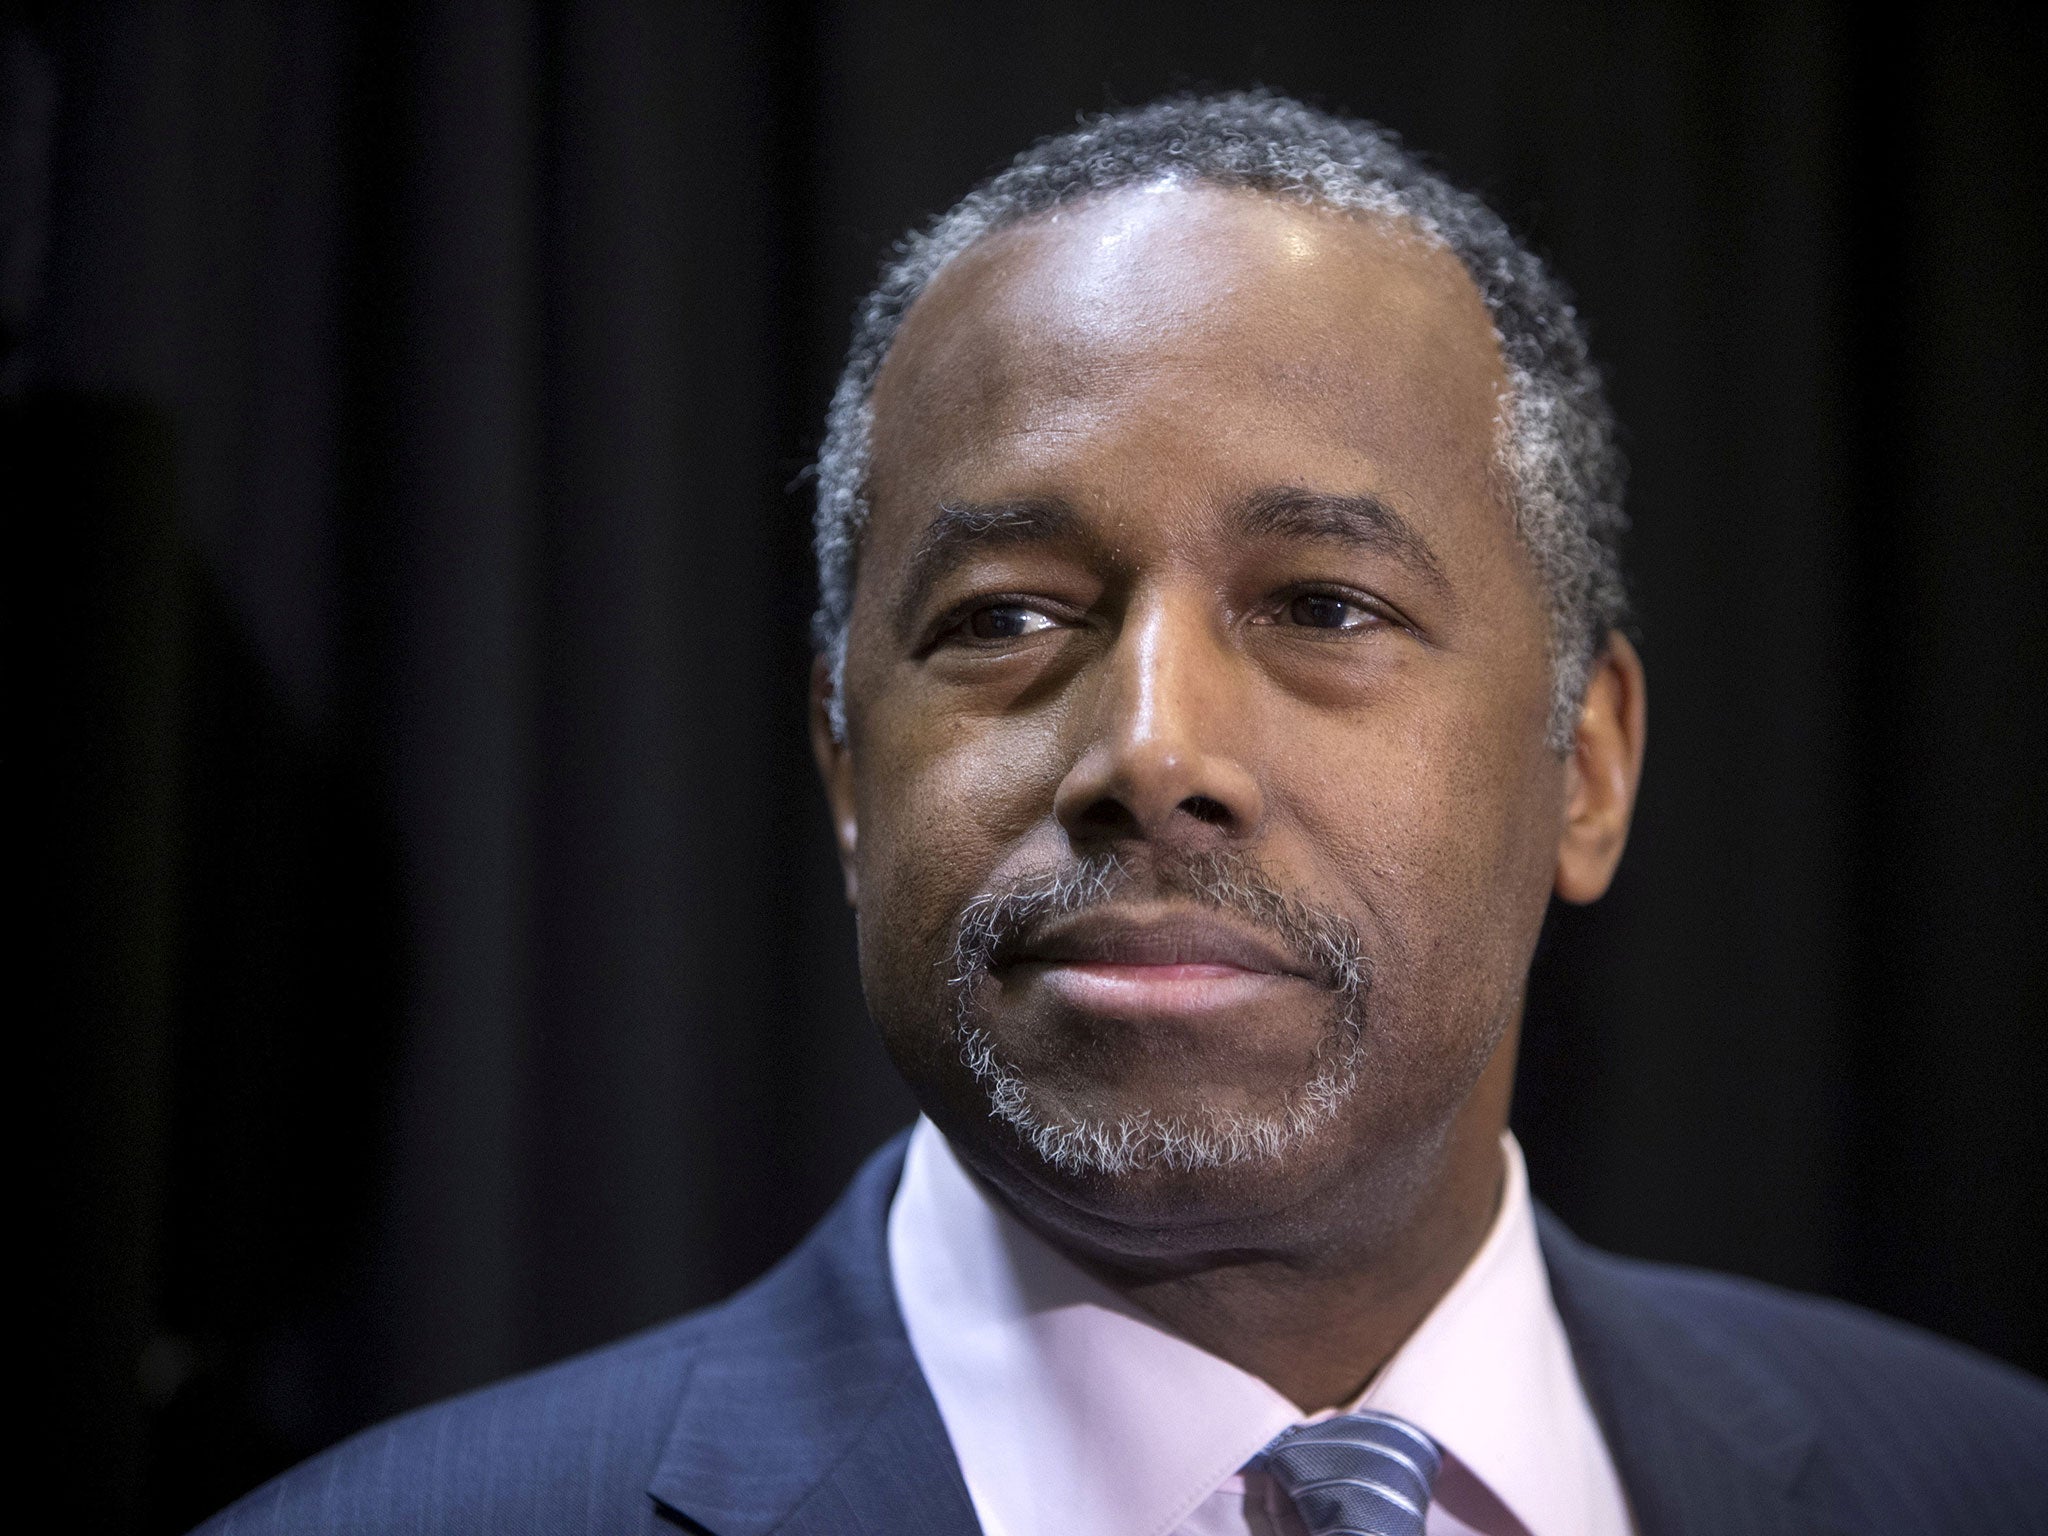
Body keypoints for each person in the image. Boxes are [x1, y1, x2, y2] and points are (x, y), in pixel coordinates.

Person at [196, 91, 2048, 1536]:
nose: (1152, 749)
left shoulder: (1983, 1486)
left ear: (1587, 763)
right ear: (848, 768)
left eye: (1326, 605)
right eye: (1007, 619)